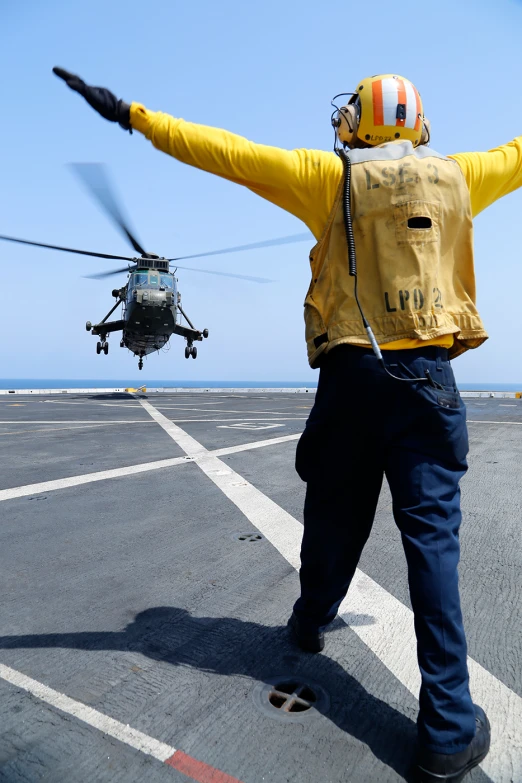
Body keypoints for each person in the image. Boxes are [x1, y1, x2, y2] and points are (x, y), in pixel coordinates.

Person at [53, 67, 522, 781]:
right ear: (416, 125)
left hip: (350, 378)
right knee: (433, 545)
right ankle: (448, 731)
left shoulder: (325, 177)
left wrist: (130, 114)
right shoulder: (462, 175)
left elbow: (222, 151)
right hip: (427, 380)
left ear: (358, 122)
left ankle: (309, 620)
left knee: (333, 517)